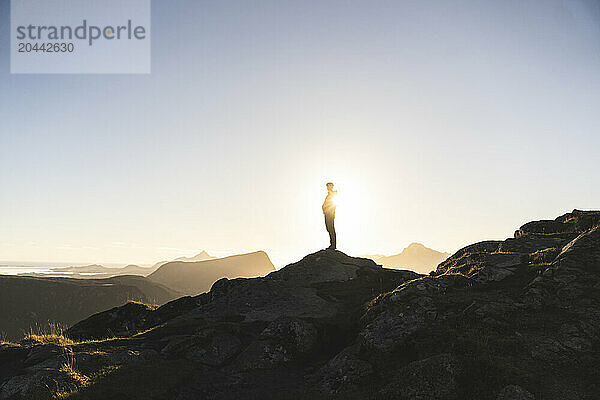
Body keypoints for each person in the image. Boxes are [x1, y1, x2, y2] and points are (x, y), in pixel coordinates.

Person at [322, 182, 337, 250]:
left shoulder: (332, 194)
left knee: (331, 229)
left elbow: (333, 204)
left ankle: (333, 245)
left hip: (330, 214)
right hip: (327, 214)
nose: (328, 187)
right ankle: (332, 244)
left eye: (330, 186)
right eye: (327, 186)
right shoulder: (329, 194)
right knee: (329, 229)